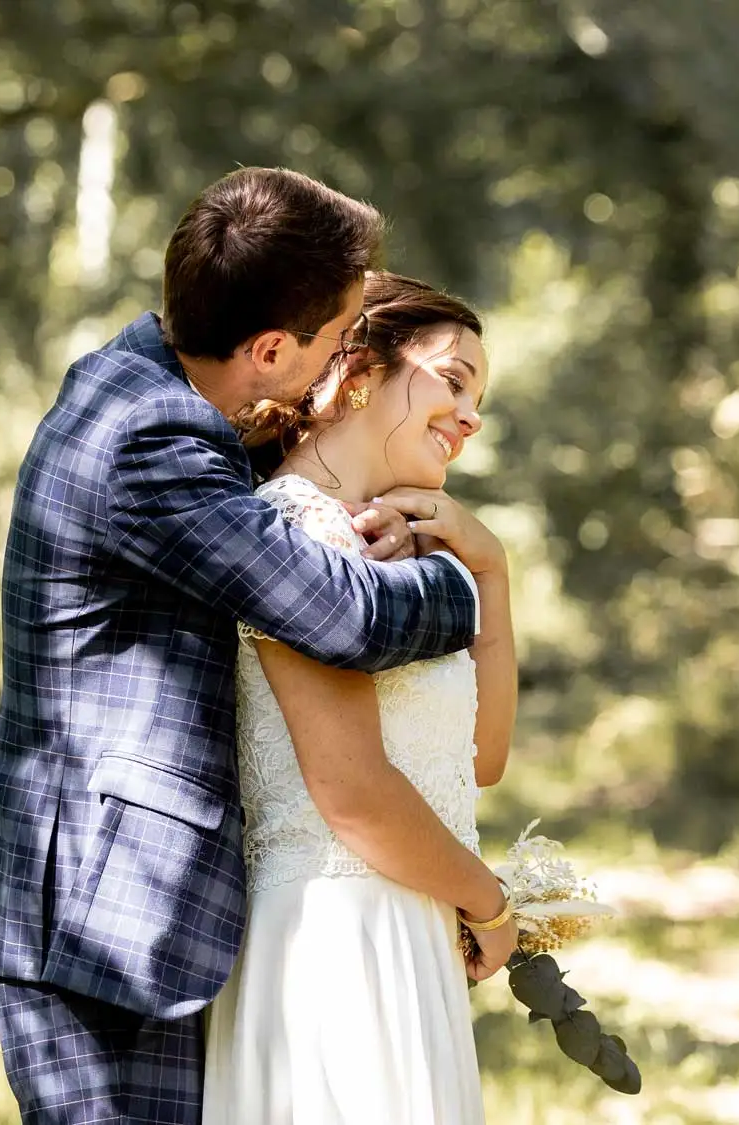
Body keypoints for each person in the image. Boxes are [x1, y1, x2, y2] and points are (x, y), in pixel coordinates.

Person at [0, 168, 508, 1125]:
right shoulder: (150, 438)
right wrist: (469, 572)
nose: (347, 355)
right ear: (268, 347)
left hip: (160, 915)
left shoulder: (154, 390)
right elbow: (346, 619)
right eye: (341, 335)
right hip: (110, 925)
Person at [201, 272, 518, 1125]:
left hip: (404, 931)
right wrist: (491, 903)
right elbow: (352, 789)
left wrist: (489, 568)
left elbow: (481, 759)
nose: (471, 417)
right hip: (332, 947)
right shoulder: (292, 534)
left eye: (477, 396)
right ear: (360, 372)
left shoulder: (411, 558)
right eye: (453, 380)